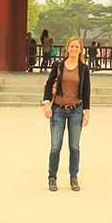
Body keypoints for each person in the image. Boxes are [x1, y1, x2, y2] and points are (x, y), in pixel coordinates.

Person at [42, 37, 91, 192]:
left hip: (76, 110)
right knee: (56, 146)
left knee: (74, 146)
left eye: (77, 47)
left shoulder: (84, 68)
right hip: (58, 110)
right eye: (72, 46)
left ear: (81, 49)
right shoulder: (58, 65)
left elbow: (86, 91)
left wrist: (87, 112)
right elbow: (49, 84)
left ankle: (73, 178)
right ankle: (52, 178)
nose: (74, 49)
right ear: (67, 48)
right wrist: (46, 104)